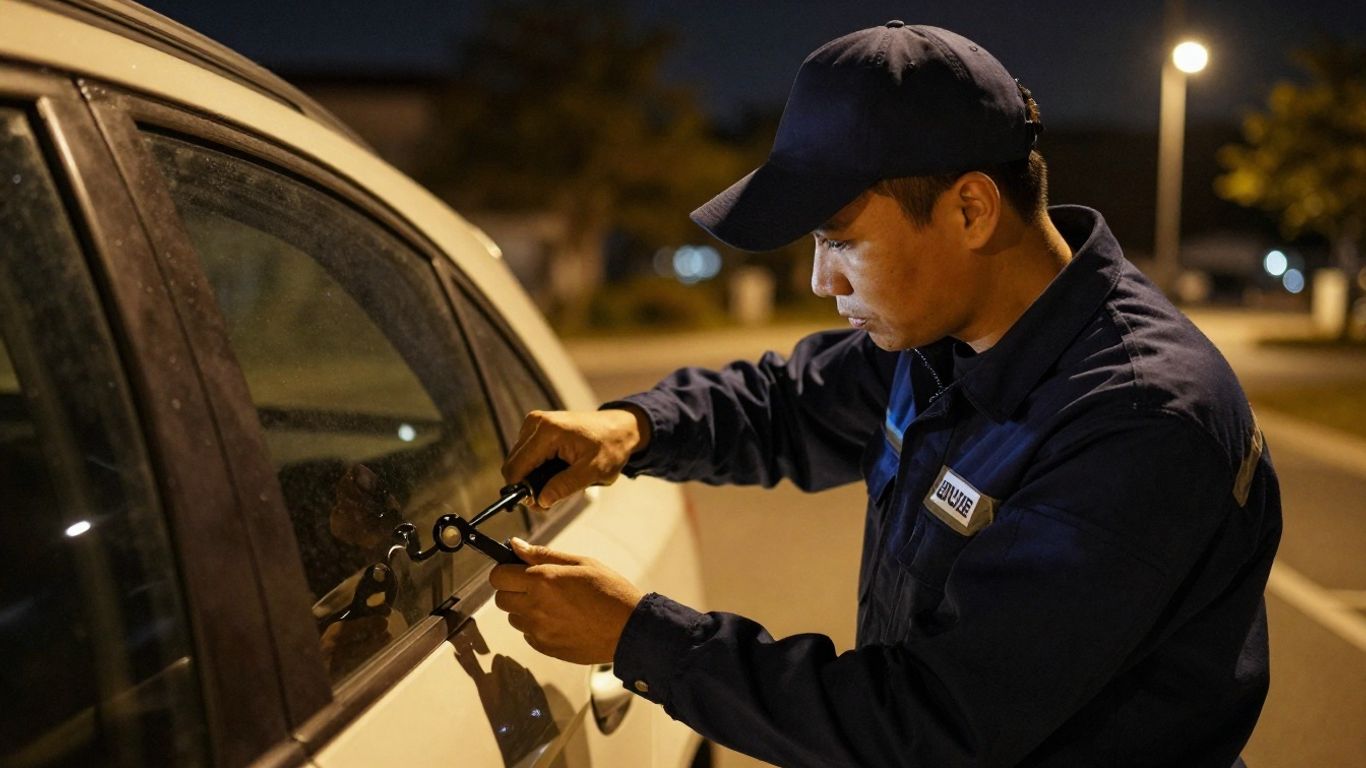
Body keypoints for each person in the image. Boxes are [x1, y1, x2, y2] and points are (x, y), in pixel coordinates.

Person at [489, 21, 1281, 768]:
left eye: (841, 241)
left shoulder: (1135, 423)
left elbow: (933, 726)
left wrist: (640, 638)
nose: (818, 279)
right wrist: (632, 428)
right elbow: (792, 403)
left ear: (970, 209)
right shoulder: (957, 327)